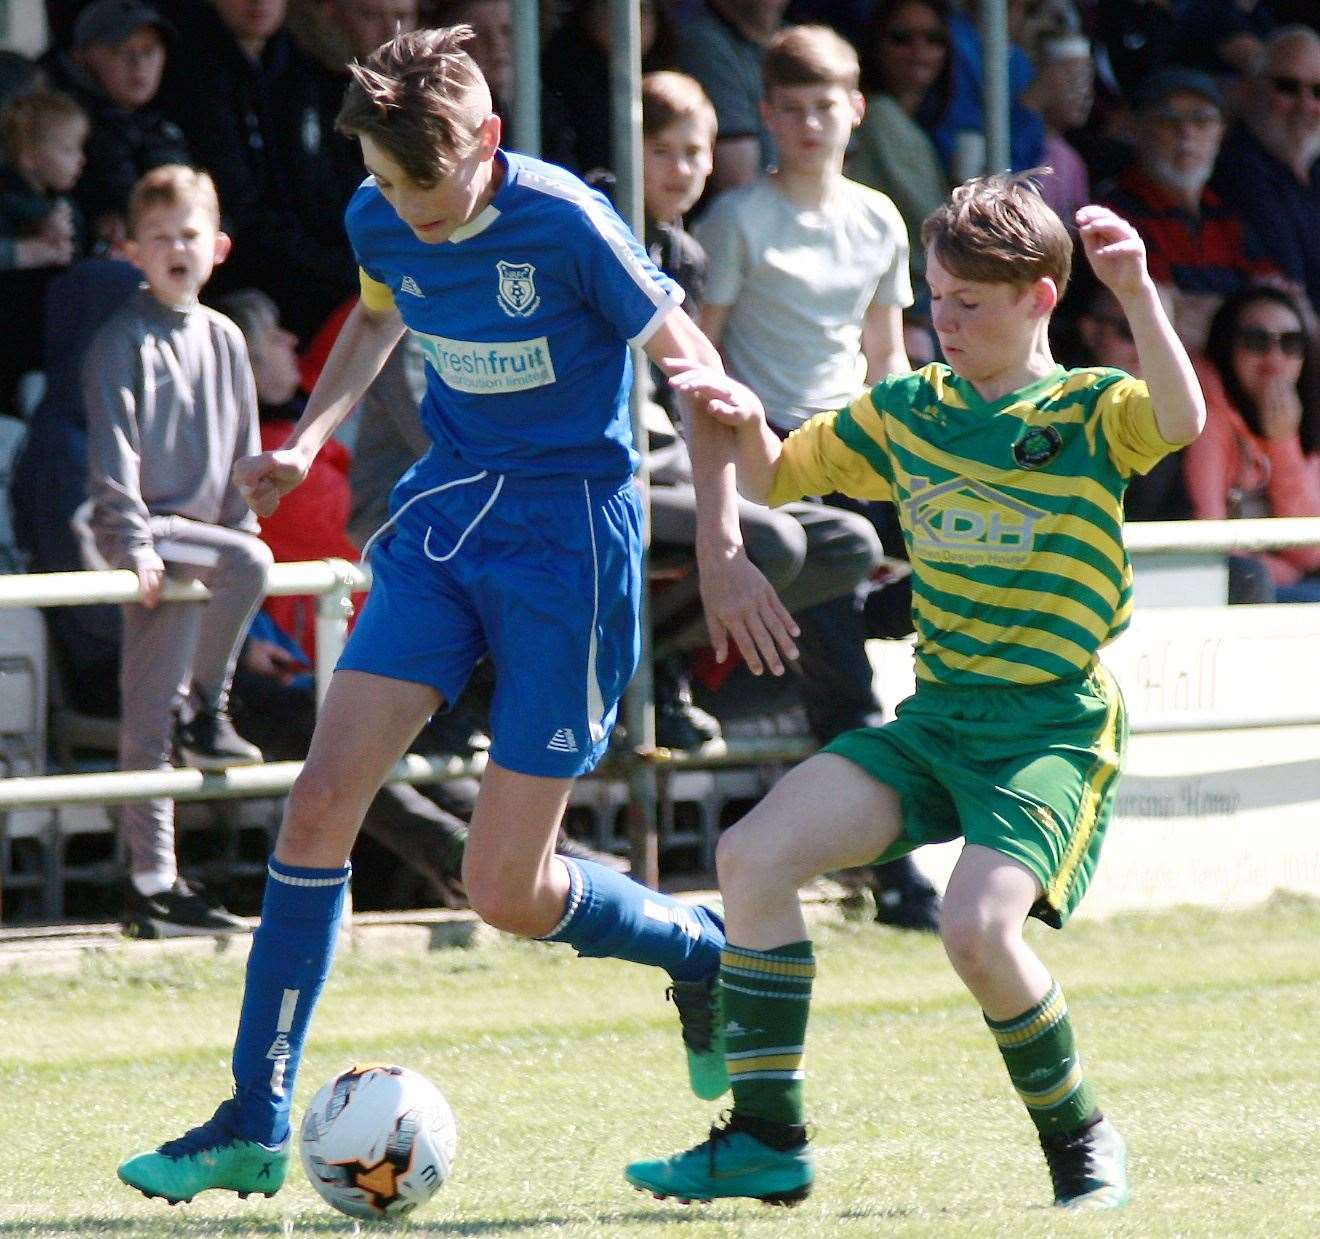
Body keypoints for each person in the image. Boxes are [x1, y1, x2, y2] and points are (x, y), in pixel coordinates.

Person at [116, 25, 798, 1206]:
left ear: (487, 142)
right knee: (322, 798)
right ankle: (250, 1118)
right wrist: (307, 442)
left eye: (423, 191)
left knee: (507, 892)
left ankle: (698, 949)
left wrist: (728, 542)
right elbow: (380, 316)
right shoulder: (381, 215)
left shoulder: (572, 222)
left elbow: (699, 374)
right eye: (383, 187)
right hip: (444, 527)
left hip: (571, 549)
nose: (406, 217)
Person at [625, 174, 1206, 1209]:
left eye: (968, 303)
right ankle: (766, 1138)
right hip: (937, 719)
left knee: (977, 930)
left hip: (1050, 729)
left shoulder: (1086, 410)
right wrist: (741, 415)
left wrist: (1137, 290)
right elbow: (774, 475)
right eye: (935, 296)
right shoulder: (908, 412)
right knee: (751, 856)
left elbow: (1180, 415)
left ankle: (1080, 1142)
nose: (943, 320)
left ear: (1039, 297)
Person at [695, 25, 940, 930]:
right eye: (790, 108)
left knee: (947, 578)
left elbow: (884, 360)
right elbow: (705, 356)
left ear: (855, 110)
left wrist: (917, 482)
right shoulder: (737, 219)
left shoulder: (878, 217)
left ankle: (876, 607)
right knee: (843, 680)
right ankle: (899, 875)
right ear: (764, 114)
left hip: (861, 450)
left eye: (823, 106)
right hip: (775, 458)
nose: (808, 124)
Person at [83, 165, 271, 937]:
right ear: (132, 251)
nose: (176, 249)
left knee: (154, 708)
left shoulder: (225, 337)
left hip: (207, 540)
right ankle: (208, 710)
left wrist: (244, 527)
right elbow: (114, 457)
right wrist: (133, 543)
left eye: (189, 234)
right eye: (158, 238)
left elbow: (243, 451)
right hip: (150, 534)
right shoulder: (119, 338)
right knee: (152, 710)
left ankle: (155, 883)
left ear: (219, 246)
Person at [1099, 67, 1278, 352]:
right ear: (1137, 129)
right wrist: (1235, 313)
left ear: (1221, 132)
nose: (1186, 132)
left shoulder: (1229, 216)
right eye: (1168, 120)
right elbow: (1158, 314)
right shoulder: (1116, 213)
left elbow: (1274, 301)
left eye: (1202, 119)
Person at [1183, 283, 1320, 601]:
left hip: (1290, 579)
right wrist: (1280, 571)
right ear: (1227, 347)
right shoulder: (1206, 409)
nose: (1274, 357)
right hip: (1224, 583)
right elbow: (1208, 535)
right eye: (1256, 341)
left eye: (1290, 343)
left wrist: (1283, 441)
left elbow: (1310, 550)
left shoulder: (1311, 412)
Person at [41, 0, 190, 251]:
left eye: (149, 50)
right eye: (121, 50)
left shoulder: (165, 123)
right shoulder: (61, 128)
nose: (139, 64)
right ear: (81, 57)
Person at [1211, 27, 1320, 317]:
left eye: (1318, 91)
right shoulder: (1238, 169)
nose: (1305, 105)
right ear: (1251, 88)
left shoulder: (1312, 169)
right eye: (1288, 87)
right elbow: (1291, 284)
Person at [0, 85, 86, 413]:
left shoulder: (65, 206)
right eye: (68, 150)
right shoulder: (10, 203)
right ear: (31, 156)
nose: (80, 160)